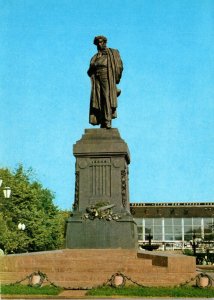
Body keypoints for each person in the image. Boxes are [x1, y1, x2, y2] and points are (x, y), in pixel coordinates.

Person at [87, 36, 123, 129]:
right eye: (98, 42)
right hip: (97, 78)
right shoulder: (95, 57)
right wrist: (93, 65)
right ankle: (102, 120)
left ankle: (108, 120)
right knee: (99, 99)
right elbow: (89, 71)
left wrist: (115, 80)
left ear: (105, 42)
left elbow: (119, 66)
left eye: (102, 42)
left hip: (106, 77)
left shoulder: (112, 53)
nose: (100, 44)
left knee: (106, 97)